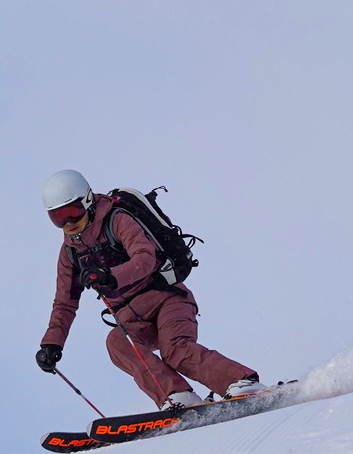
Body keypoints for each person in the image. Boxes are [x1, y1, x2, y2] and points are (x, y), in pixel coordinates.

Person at [35, 169, 269, 410]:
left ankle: (241, 382)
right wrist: (52, 344)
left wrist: (110, 276)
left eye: (73, 212)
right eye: (58, 217)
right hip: (132, 317)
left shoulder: (117, 220)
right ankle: (177, 397)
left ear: (87, 201)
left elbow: (144, 258)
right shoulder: (70, 254)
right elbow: (65, 303)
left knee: (175, 349)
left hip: (167, 298)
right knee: (117, 342)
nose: (68, 223)